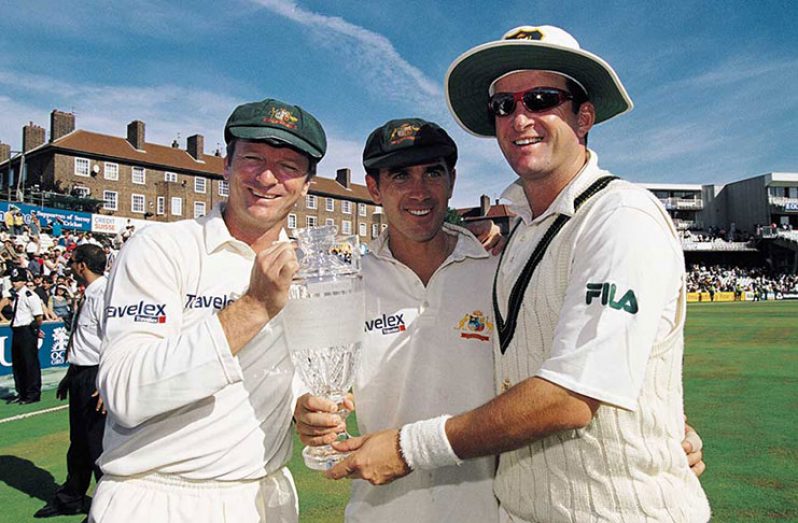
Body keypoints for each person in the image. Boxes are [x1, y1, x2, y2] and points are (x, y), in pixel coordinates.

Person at [325, 25, 711, 522]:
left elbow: (572, 396)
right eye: (504, 106)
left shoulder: (620, 216)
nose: (519, 117)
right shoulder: (519, 237)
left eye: (542, 98)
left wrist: (406, 448)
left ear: (585, 115)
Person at [92, 98, 327, 523]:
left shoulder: (310, 268)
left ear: (307, 184)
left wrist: (301, 405)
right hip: (156, 498)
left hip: (265, 497)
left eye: (289, 166)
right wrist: (254, 306)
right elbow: (127, 393)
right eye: (253, 158)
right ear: (227, 166)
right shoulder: (161, 247)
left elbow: (288, 374)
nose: (268, 177)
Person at [297, 119, 501, 522]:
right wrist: (307, 410)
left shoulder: (497, 274)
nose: (419, 191)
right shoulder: (348, 281)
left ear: (452, 180)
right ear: (374, 188)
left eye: (433, 172)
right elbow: (310, 379)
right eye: (401, 176)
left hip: (485, 513)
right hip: (380, 512)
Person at [34, 244, 108, 519]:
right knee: (79, 441)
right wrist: (71, 374)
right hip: (82, 372)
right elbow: (86, 341)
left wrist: (105, 380)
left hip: (96, 376)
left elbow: (113, 339)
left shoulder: (104, 295)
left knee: (96, 443)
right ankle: (71, 498)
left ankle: (109, 504)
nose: (71, 268)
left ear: (82, 266)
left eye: (73, 263)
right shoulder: (89, 294)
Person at [8, 267, 44, 404]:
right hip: (17, 331)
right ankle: (22, 392)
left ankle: (33, 393)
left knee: (30, 363)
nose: (14, 283)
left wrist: (34, 329)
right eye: (13, 280)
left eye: (17, 280)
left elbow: (38, 316)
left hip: (27, 330)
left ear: (24, 281)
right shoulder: (16, 296)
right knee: (18, 363)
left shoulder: (30, 295)